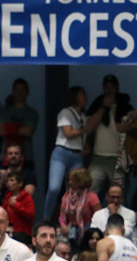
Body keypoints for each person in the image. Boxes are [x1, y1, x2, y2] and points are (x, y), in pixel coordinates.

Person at [44, 87, 99, 222]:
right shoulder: (65, 113)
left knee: (77, 189)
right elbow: (68, 133)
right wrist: (85, 129)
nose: (85, 97)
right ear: (75, 96)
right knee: (54, 187)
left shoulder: (84, 116)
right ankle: (46, 217)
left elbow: (86, 135)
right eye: (82, 94)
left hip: (77, 155)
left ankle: (72, 220)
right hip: (62, 152)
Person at [86, 75, 134, 199]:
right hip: (98, 158)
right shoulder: (97, 103)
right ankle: (92, 219)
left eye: (112, 88)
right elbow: (90, 125)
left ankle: (119, 218)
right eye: (106, 88)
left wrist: (129, 122)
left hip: (117, 159)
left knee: (119, 194)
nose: (109, 91)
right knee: (90, 192)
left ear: (117, 88)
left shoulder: (124, 105)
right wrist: (104, 106)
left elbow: (132, 127)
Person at [57, 168, 101, 244]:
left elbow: (100, 216)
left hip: (87, 230)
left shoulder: (92, 197)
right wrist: (63, 225)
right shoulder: (66, 196)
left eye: (73, 180)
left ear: (81, 181)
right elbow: (61, 216)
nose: (70, 183)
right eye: (69, 180)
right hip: (70, 230)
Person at [2, 171, 35, 245]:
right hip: (9, 233)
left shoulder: (27, 198)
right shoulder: (7, 197)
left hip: (23, 234)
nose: (9, 183)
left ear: (20, 183)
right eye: (7, 181)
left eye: (12, 180)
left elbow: (30, 215)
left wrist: (16, 205)